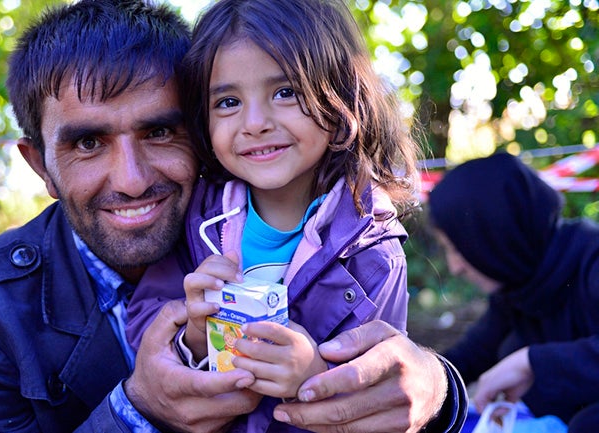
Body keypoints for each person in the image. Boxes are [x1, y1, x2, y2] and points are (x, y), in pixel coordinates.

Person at [0, 0, 466, 432]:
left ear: (198, 134)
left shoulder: (351, 237)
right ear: (40, 164)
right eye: (88, 142)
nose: (132, 180)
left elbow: (383, 377)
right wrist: (137, 411)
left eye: (160, 131)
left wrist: (439, 393)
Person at [126, 0, 459, 431]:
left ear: (341, 99)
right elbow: (138, 330)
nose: (255, 122)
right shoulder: (197, 218)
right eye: (227, 101)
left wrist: (315, 373)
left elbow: (383, 394)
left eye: (286, 92)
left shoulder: (372, 248)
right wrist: (192, 333)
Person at [428, 152, 599, 432]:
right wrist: (418, 375)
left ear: (494, 236)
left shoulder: (591, 260)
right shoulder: (520, 287)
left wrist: (531, 362)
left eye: (457, 249)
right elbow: (469, 356)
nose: (454, 267)